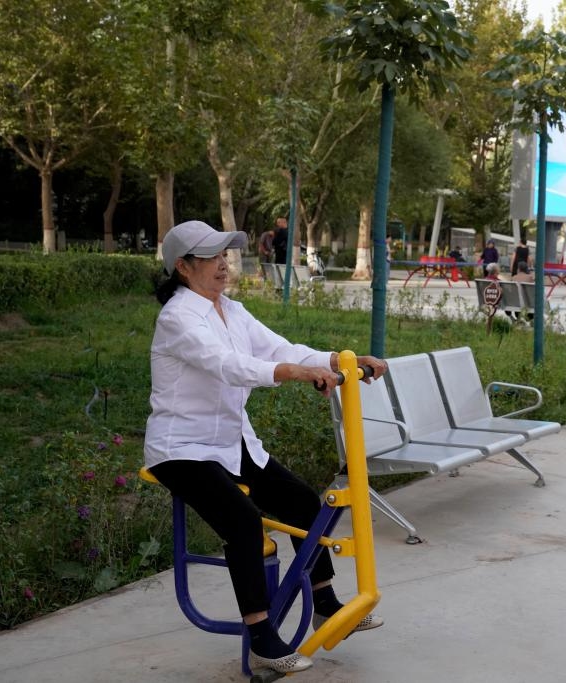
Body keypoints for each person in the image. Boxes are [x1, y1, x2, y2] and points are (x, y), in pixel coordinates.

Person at [144, 220, 387, 675]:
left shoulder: (229, 310)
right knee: (242, 520)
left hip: (232, 443)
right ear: (183, 267)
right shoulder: (178, 317)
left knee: (300, 500)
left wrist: (340, 361)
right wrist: (293, 373)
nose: (223, 265)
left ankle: (325, 602)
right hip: (182, 449)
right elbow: (228, 365)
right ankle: (261, 638)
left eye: (224, 255)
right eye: (212, 257)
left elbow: (279, 347)